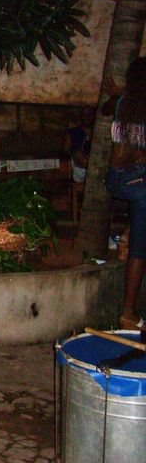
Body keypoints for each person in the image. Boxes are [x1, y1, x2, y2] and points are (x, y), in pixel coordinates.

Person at [102, 57, 146, 331]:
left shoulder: (124, 103)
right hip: (135, 181)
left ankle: (127, 237)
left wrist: (118, 93)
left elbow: (108, 107)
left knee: (141, 237)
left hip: (116, 178)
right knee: (141, 250)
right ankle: (128, 312)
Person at [63, 106, 95, 183]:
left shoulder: (98, 132)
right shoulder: (72, 132)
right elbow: (65, 151)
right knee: (77, 154)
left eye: (89, 114)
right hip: (79, 168)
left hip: (95, 162)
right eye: (85, 115)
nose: (87, 117)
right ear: (81, 117)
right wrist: (76, 154)